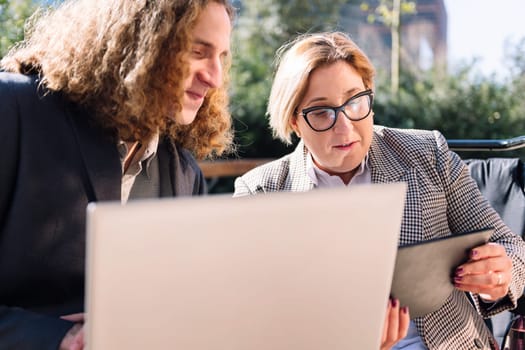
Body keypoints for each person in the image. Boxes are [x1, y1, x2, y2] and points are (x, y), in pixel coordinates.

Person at [233, 31, 525, 350]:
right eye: (321, 112)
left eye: (355, 101)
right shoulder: (261, 193)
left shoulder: (428, 153)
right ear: (293, 121)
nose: (344, 127)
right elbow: (255, 318)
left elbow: (511, 246)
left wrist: (500, 276)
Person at [0, 0, 234, 349]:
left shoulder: (184, 172)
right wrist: (55, 338)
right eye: (197, 52)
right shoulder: (12, 107)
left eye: (222, 58)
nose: (214, 77)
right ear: (139, 43)